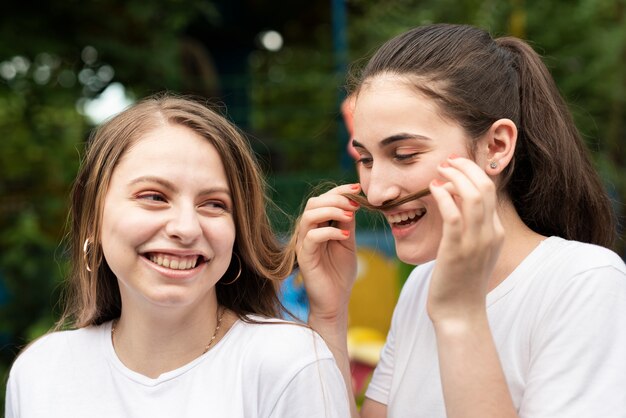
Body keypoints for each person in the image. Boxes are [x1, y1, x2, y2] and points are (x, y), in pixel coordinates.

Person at [294, 23, 626, 418]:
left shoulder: (584, 281)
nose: (377, 191)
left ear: (496, 147)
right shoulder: (422, 283)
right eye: (365, 159)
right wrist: (329, 316)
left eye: (403, 154)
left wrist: (460, 315)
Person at [5, 94, 350, 418]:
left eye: (214, 204)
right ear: (92, 215)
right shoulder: (40, 372)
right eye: (153, 196)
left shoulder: (287, 362)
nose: (186, 228)